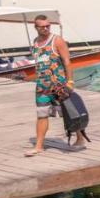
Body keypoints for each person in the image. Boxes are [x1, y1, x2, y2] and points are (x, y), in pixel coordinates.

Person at [26, 14, 87, 156]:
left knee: (69, 112)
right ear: (36, 28)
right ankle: (39, 146)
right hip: (42, 87)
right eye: (42, 26)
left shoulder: (57, 40)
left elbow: (67, 62)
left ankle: (80, 138)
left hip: (58, 85)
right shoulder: (35, 42)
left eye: (48, 25)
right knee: (41, 114)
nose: (46, 28)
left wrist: (70, 81)